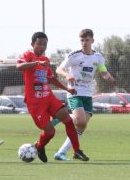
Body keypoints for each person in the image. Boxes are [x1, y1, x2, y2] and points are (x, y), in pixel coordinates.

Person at [16, 32, 89, 163]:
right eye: (39, 44)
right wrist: (36, 62)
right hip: (35, 103)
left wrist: (67, 89)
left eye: (44, 44)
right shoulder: (28, 55)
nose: (42, 46)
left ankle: (77, 150)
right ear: (32, 44)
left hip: (48, 97)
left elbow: (51, 79)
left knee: (68, 120)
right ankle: (39, 146)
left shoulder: (46, 60)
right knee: (50, 132)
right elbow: (19, 67)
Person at [52, 29, 116, 161]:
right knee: (80, 120)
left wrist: (108, 77)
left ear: (92, 40)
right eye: (82, 40)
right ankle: (66, 117)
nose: (84, 43)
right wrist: (67, 75)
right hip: (74, 92)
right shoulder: (74, 55)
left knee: (82, 125)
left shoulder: (98, 57)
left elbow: (103, 71)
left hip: (87, 93)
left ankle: (61, 152)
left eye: (87, 40)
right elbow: (59, 69)